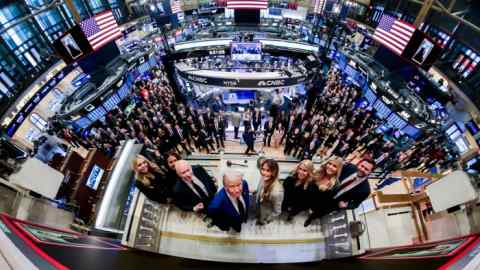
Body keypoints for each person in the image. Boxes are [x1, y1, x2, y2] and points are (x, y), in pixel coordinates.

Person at [304, 158, 343, 227]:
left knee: (313, 216)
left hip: (320, 207)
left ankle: (309, 220)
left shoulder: (336, 185)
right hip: (309, 199)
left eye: (334, 166)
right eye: (329, 163)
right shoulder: (318, 173)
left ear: (338, 170)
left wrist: (324, 191)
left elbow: (329, 201)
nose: (330, 167)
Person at [256, 159, 284, 225]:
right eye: (263, 169)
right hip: (260, 207)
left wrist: (268, 219)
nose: (264, 173)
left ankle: (262, 222)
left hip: (266, 213)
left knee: (262, 221)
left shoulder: (276, 192)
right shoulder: (264, 177)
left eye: (268, 170)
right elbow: (261, 187)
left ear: (274, 172)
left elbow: (277, 211)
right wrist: (257, 192)